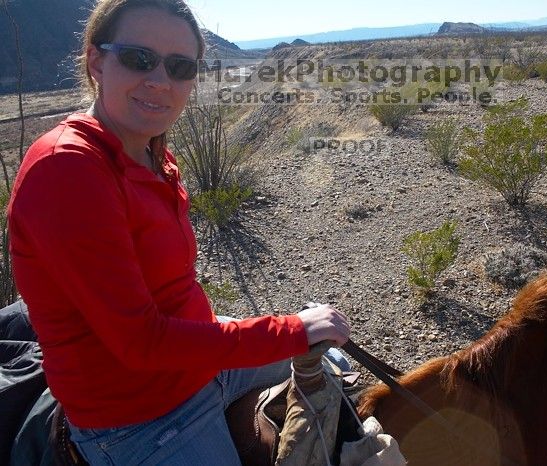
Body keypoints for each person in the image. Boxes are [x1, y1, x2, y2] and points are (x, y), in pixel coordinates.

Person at [6, 0, 351, 464]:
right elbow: (140, 342)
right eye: (138, 58)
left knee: (335, 368)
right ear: (95, 61)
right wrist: (290, 330)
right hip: (143, 417)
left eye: (180, 66)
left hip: (200, 363)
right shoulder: (67, 170)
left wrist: (288, 334)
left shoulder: (151, 154)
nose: (160, 81)